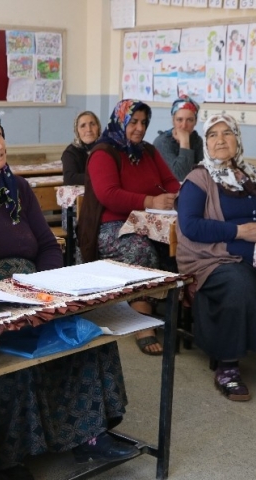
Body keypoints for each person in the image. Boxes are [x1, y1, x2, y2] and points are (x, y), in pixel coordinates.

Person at [0, 109, 135, 480]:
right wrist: (15, 291)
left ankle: (89, 435)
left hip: (34, 289)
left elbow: (46, 244)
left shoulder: (15, 186)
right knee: (14, 347)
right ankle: (11, 457)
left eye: (0, 134)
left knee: (86, 332)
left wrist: (48, 286)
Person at [175, 113, 256, 402]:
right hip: (214, 258)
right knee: (240, 284)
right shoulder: (199, 178)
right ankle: (228, 365)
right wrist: (238, 232)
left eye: (227, 133)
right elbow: (191, 225)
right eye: (213, 135)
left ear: (237, 139)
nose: (220, 140)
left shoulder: (255, 176)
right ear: (206, 142)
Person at [80, 99, 180, 356]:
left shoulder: (148, 151)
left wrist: (176, 196)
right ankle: (141, 319)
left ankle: (178, 310)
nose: (140, 128)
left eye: (144, 123)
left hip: (150, 223)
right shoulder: (103, 153)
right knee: (141, 250)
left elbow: (170, 181)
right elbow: (109, 194)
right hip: (111, 226)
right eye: (133, 122)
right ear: (120, 121)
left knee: (180, 246)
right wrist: (150, 201)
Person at [153, 96, 204, 181]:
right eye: (179, 120)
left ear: (195, 122)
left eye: (189, 120)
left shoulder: (197, 140)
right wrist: (185, 143)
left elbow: (203, 174)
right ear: (173, 121)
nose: (184, 126)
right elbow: (181, 177)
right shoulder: (162, 142)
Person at [61, 110, 101, 185]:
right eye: (83, 126)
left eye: (92, 124)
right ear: (77, 131)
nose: (89, 129)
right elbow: (69, 178)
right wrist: (100, 178)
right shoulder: (70, 152)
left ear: (98, 127)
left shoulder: (107, 148)